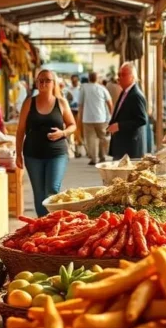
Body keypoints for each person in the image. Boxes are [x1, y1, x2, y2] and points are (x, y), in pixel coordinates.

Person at [15, 69, 76, 217]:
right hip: (32, 154)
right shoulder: (29, 102)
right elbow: (20, 129)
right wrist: (18, 154)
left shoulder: (61, 103)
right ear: (36, 83)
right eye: (40, 80)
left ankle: (52, 222)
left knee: (52, 189)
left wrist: (62, 133)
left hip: (57, 154)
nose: (43, 83)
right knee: (39, 192)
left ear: (54, 83)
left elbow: (72, 125)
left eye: (47, 80)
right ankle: (43, 225)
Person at [107, 62, 148, 160]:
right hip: (121, 146)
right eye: (119, 75)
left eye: (123, 75)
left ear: (132, 77)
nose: (119, 78)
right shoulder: (125, 92)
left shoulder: (136, 95)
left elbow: (141, 120)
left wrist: (119, 126)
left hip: (130, 148)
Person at [79, 72, 113, 165]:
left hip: (87, 118)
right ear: (97, 78)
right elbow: (110, 103)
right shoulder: (102, 88)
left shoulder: (84, 88)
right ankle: (102, 157)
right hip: (101, 118)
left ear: (89, 78)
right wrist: (112, 115)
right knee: (102, 138)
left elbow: (80, 104)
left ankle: (94, 159)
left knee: (90, 139)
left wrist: (80, 116)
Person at [66, 75, 83, 158]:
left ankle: (78, 150)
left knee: (78, 131)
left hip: (79, 111)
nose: (74, 82)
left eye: (75, 81)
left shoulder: (81, 89)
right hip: (70, 111)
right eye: (73, 81)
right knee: (71, 131)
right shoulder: (68, 90)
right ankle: (72, 150)